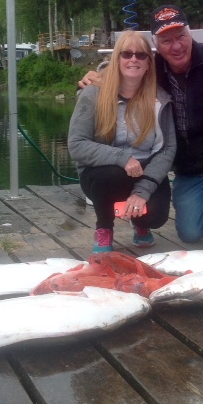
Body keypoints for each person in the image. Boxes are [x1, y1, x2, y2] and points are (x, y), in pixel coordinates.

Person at [79, 5, 203, 252]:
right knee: (190, 234)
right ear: (156, 44)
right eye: (166, 40)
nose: (176, 46)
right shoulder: (151, 69)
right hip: (190, 169)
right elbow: (121, 71)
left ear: (190, 34)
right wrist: (93, 79)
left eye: (181, 37)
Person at [68, 30, 176, 253]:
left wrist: (142, 191)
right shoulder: (93, 94)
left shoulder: (161, 99)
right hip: (103, 174)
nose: (133, 59)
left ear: (149, 63)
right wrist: (121, 157)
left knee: (156, 216)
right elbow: (76, 144)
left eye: (141, 55)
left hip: (145, 171)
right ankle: (104, 228)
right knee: (111, 175)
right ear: (116, 60)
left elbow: (167, 149)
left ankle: (141, 224)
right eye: (126, 54)